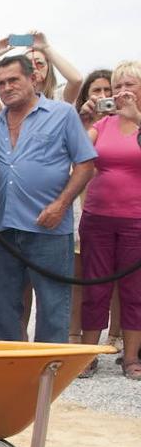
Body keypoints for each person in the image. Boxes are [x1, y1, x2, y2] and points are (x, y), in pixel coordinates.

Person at [0, 55, 97, 344]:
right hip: (4, 229)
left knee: (53, 308)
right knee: (2, 309)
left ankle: (49, 380)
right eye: (1, 83)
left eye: (13, 80)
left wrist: (61, 205)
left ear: (33, 79)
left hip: (48, 227)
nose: (7, 87)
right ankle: (10, 374)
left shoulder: (62, 114)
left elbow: (85, 164)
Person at [78, 61, 141, 379]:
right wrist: (85, 120)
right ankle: (89, 355)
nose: (123, 91)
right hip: (98, 216)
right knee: (95, 288)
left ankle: (130, 358)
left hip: (136, 220)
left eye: (130, 84)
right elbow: (77, 150)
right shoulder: (103, 125)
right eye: (118, 86)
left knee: (134, 291)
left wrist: (136, 119)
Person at [0, 31, 83, 117]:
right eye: (29, 64)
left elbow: (76, 80)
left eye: (39, 63)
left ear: (49, 68)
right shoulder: (12, 102)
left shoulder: (59, 97)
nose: (34, 68)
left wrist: (46, 48)